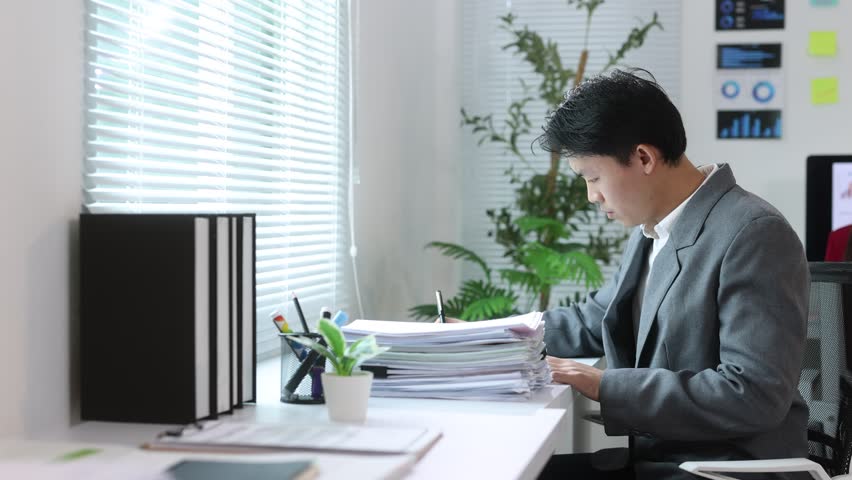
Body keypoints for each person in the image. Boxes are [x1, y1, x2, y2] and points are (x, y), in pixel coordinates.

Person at [532, 69, 810, 479]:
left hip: (727, 468)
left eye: (593, 178)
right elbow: (596, 319)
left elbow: (753, 394)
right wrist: (494, 336)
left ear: (644, 158)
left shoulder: (753, 233)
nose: (592, 196)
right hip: (668, 457)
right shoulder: (655, 228)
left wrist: (603, 383)